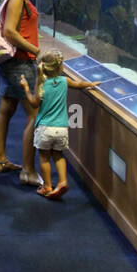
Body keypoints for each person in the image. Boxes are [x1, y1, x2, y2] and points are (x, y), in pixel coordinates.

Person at [0, 0, 44, 187]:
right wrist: (36, 50)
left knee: (6, 109)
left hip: (10, 64)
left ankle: (1, 160)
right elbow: (11, 32)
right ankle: (28, 171)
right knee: (35, 115)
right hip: (20, 63)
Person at [20, 50, 101, 199]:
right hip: (61, 128)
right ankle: (63, 182)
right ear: (59, 68)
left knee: (44, 157)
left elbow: (33, 104)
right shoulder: (65, 81)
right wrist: (91, 84)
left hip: (44, 128)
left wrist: (26, 88)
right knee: (59, 155)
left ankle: (47, 187)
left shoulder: (42, 85)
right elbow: (79, 85)